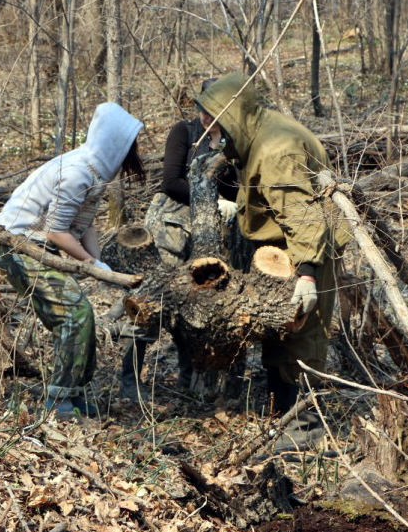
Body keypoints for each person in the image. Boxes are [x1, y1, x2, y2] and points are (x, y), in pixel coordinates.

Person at [195, 72, 348, 449]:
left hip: (304, 252)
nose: (208, 132)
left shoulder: (277, 147)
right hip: (284, 251)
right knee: (281, 337)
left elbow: (301, 216)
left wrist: (308, 275)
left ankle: (303, 434)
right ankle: (283, 418)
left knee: (302, 340)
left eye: (213, 124)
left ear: (231, 116)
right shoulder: (259, 133)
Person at [0, 103, 144, 419]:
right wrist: (88, 262)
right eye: (129, 145)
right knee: (75, 312)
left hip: (39, 244)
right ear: (115, 144)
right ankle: (58, 401)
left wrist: (98, 262)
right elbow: (57, 231)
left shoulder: (96, 173)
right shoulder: (77, 172)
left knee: (78, 316)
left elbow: (85, 223)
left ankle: (74, 392)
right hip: (16, 245)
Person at [118, 79, 240, 399]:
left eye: (214, 111)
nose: (206, 117)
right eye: (203, 109)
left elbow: (239, 189)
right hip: (170, 224)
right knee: (154, 298)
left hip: (210, 231)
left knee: (198, 303)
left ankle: (189, 377)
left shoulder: (234, 143)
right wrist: (210, 199)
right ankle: (130, 377)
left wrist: (225, 198)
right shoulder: (183, 132)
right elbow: (171, 181)